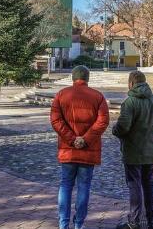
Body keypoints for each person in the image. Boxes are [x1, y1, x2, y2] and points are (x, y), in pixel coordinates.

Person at [50, 65, 110, 229]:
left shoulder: (61, 95)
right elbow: (103, 121)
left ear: (72, 77)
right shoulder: (98, 97)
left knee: (65, 185)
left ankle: (63, 224)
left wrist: (71, 139)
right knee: (84, 187)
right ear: (88, 78)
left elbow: (56, 120)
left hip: (68, 151)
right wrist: (85, 139)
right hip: (88, 151)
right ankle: (78, 224)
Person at [112, 71, 153, 229]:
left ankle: (134, 222)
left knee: (134, 185)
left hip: (133, 152)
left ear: (131, 83)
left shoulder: (130, 102)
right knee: (149, 185)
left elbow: (123, 127)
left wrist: (115, 130)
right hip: (150, 150)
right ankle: (152, 221)